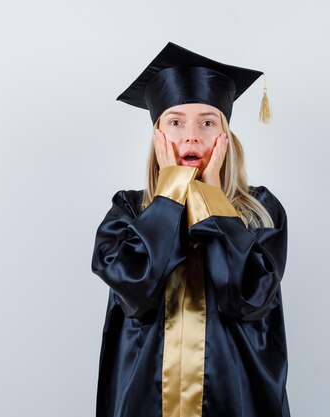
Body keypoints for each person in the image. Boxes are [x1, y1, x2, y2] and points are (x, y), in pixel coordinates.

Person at [90, 42, 290, 417]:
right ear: (157, 136)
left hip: (237, 398)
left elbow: (246, 299)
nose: (192, 135)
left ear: (225, 137)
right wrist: (168, 198)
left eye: (208, 121)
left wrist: (213, 201)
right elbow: (136, 288)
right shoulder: (128, 211)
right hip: (143, 400)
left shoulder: (260, 211)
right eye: (176, 121)